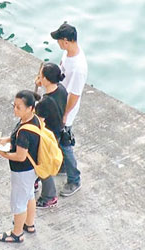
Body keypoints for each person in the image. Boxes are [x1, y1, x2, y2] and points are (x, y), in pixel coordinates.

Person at [0, 90, 39, 243]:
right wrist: (6, 140)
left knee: (19, 202)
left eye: (19, 107)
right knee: (29, 195)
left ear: (30, 108)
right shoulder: (33, 120)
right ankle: (29, 224)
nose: (15, 109)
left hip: (22, 171)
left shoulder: (25, 131)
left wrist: (3, 153)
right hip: (32, 169)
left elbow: (20, 156)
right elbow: (18, 140)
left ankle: (16, 233)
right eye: (14, 105)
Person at [51, 22, 88, 196]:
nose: (58, 43)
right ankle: (64, 167)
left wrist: (65, 114)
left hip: (65, 109)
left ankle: (74, 179)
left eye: (59, 40)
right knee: (59, 140)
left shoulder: (78, 68)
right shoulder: (68, 54)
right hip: (59, 103)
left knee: (65, 143)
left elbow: (74, 95)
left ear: (66, 41)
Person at [34, 62, 68, 208]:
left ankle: (49, 196)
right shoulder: (61, 89)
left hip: (47, 137)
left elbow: (38, 123)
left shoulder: (44, 103)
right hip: (58, 131)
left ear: (46, 79)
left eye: (41, 76)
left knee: (42, 165)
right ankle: (34, 181)